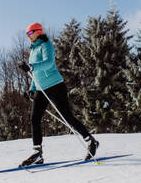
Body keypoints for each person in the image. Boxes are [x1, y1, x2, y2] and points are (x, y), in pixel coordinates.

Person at [18, 22, 99, 166]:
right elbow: (34, 74)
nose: (28, 37)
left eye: (30, 33)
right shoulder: (32, 50)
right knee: (34, 119)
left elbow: (48, 63)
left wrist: (31, 66)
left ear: (38, 32)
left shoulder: (45, 45)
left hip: (55, 86)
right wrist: (31, 89)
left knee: (67, 118)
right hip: (41, 89)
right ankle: (37, 153)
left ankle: (90, 141)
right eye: (27, 34)